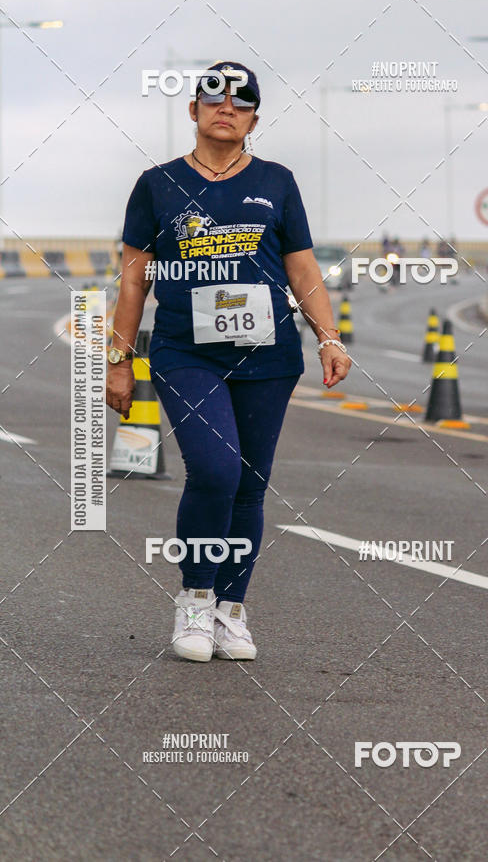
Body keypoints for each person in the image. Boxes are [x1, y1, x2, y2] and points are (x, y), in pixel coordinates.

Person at [106, 61, 351, 663]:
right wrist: (119, 357)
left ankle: (230, 611)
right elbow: (134, 281)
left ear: (253, 120)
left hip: (269, 354)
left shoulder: (278, 181)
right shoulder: (157, 184)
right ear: (192, 111)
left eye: (241, 102)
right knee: (215, 471)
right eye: (213, 98)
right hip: (184, 352)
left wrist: (329, 336)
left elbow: (302, 269)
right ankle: (194, 599)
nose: (227, 108)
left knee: (250, 484)